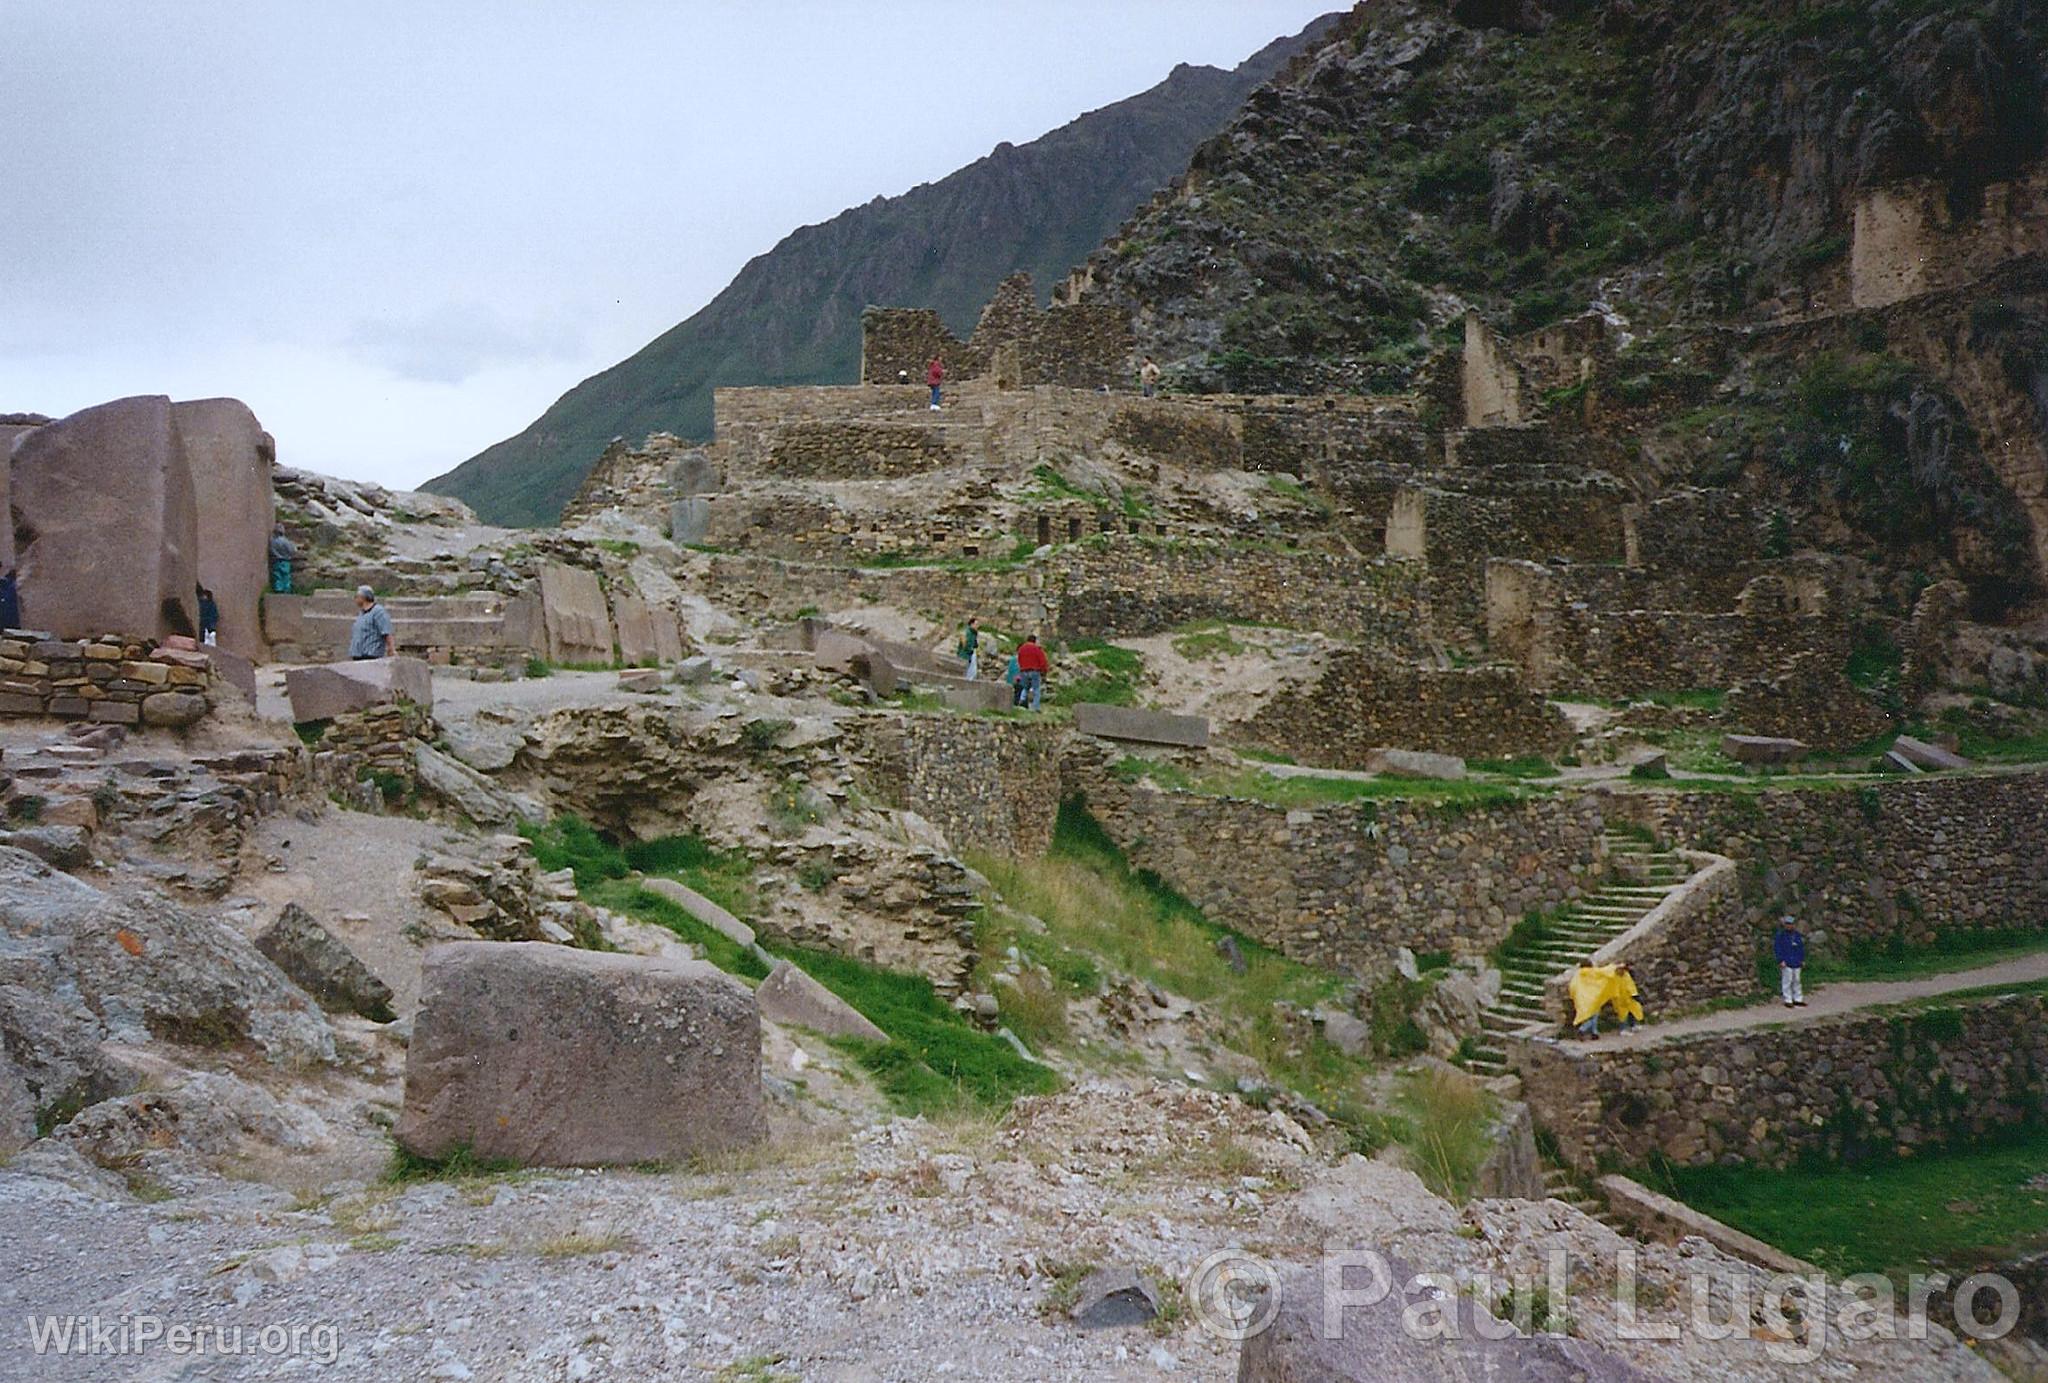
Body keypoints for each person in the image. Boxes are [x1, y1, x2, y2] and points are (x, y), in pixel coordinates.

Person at [1568, 960, 1642, 1039]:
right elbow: (1605, 971)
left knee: (1590, 1015)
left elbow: (1572, 987)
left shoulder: (1578, 975)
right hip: (1592, 998)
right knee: (1593, 1015)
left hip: (1581, 998)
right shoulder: (1591, 972)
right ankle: (1583, 1029)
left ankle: (1594, 1033)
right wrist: (1616, 966)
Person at [348, 585, 395, 660]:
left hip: (371, 655)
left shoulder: (378, 612)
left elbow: (386, 631)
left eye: (356, 596)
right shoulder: (361, 613)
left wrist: (391, 649)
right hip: (358, 655)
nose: (355, 599)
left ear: (363, 597)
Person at [1774, 917, 1807, 1008]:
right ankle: (1788, 999)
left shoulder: (1797, 935)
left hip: (1796, 961)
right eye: (1787, 924)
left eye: (1791, 924)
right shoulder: (1781, 935)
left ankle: (1798, 998)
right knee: (1787, 980)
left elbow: (1801, 948)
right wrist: (1780, 960)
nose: (1789, 926)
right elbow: (1778, 948)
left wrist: (1802, 959)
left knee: (1797, 980)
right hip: (1786, 961)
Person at [1014, 633, 1049, 712]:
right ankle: (1035, 707)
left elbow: (1019, 659)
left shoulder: (1022, 648)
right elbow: (1042, 661)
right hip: (1035, 671)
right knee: (1036, 689)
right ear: (1034, 641)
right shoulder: (1037, 649)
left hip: (1024, 671)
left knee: (1025, 688)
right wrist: (1044, 671)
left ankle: (1021, 701)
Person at [268, 525, 297, 594]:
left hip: (276, 561)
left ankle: (278, 589)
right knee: (286, 576)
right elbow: (293, 551)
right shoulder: (286, 541)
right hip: (286, 561)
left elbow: (271, 550)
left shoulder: (273, 542)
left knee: (277, 576)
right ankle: (286, 591)